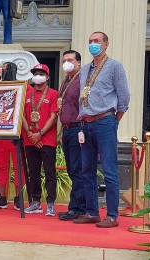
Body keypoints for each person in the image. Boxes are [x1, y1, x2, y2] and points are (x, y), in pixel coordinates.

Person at [73, 32, 130, 228]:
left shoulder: (115, 66)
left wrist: (114, 121)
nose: (92, 44)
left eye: (97, 41)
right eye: (90, 41)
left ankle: (112, 215)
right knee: (86, 169)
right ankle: (92, 212)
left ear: (106, 44)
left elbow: (124, 98)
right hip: (85, 122)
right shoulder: (85, 69)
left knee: (109, 169)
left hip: (105, 120)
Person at [0, 62, 27, 210]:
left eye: (8, 69)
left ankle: (18, 198)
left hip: (16, 135)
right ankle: (2, 197)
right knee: (1, 167)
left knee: (19, 167)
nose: (6, 72)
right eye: (3, 70)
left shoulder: (23, 87)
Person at [22, 64, 58, 216]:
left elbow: (54, 116)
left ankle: (50, 203)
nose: (38, 76)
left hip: (47, 139)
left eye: (41, 73)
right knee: (33, 172)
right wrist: (31, 133)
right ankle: (35, 202)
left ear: (47, 77)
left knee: (49, 172)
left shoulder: (53, 94)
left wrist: (41, 133)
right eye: (35, 73)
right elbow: (22, 115)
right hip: (30, 139)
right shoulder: (26, 93)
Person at [58, 50, 86, 221]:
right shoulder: (66, 80)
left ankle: (78, 208)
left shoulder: (82, 80)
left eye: (70, 60)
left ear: (78, 63)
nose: (66, 63)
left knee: (77, 170)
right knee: (71, 169)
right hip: (67, 129)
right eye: (64, 60)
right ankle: (75, 206)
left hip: (78, 128)